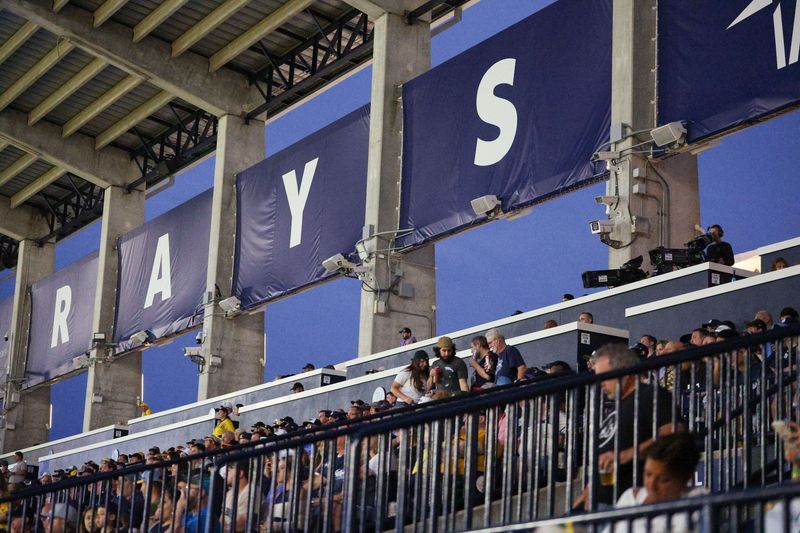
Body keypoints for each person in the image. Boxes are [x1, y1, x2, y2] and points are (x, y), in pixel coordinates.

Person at [587, 344, 677, 506]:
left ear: (625, 372)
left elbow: (673, 433)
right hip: (601, 499)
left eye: (605, 376)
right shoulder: (615, 406)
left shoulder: (650, 394)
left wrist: (624, 455)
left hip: (634, 499)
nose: (601, 384)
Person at [606, 432, 705, 533]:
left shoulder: (698, 500)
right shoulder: (629, 498)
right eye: (647, 474)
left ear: (687, 477)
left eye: (663, 480)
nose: (651, 485)